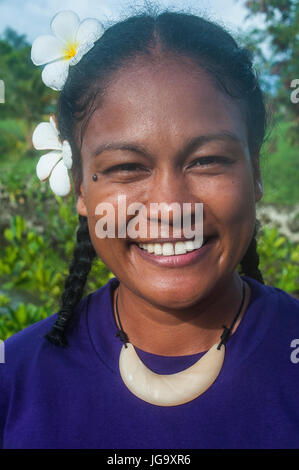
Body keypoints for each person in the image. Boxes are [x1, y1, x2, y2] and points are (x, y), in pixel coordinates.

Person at [1, 6, 299, 449]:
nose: (169, 206)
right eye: (126, 166)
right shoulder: (15, 375)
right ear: (81, 188)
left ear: (254, 172)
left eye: (208, 160)